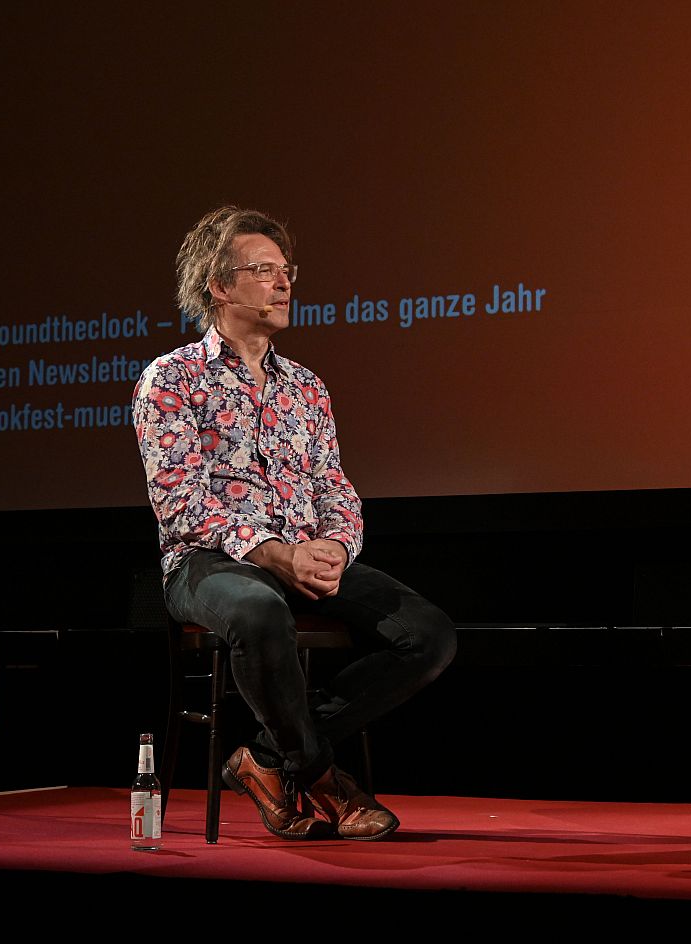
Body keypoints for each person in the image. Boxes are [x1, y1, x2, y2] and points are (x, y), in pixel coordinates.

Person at [133, 206, 456, 841]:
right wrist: (272, 552)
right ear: (219, 285)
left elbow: (335, 486)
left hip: (304, 556)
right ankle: (321, 777)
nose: (283, 283)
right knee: (259, 611)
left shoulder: (306, 387)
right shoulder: (170, 379)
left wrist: (335, 545)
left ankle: (265, 758)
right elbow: (179, 501)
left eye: (286, 271)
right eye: (263, 270)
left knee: (428, 634)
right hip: (208, 564)